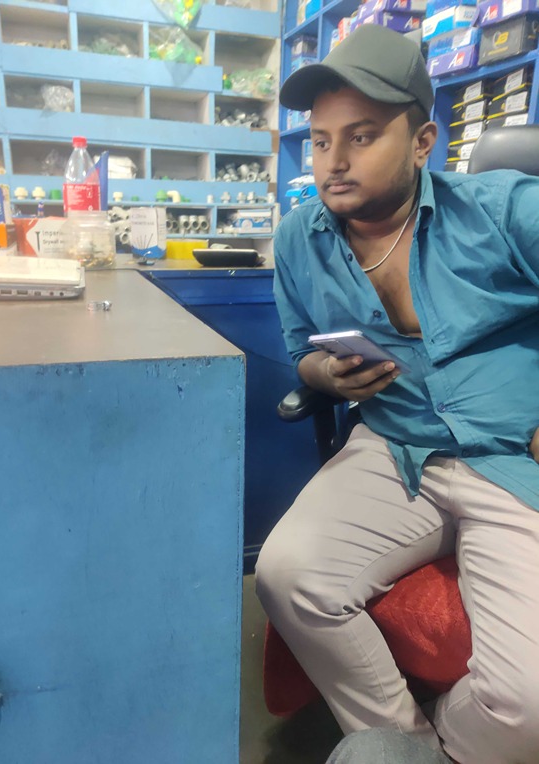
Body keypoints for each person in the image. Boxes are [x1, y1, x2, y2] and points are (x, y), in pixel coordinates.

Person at [255, 23, 539, 764]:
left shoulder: (506, 209)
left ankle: (447, 744)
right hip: (394, 445)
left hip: (513, 453)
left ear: (422, 142)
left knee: (528, 708)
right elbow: (300, 351)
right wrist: (324, 376)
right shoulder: (299, 240)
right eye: (321, 141)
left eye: (362, 136)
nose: (334, 161)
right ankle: (400, 742)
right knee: (288, 578)